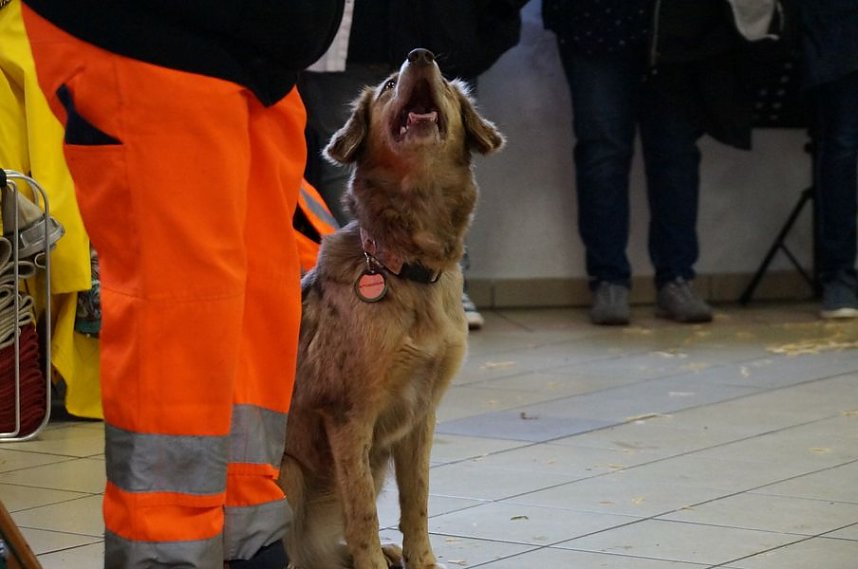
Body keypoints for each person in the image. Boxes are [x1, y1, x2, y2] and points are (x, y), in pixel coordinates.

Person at [21, 1, 344, 568]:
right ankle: (165, 553)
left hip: (253, 60)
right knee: (180, 311)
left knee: (254, 308)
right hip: (151, 42)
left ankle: (248, 538)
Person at [543, 0, 775, 325]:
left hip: (678, 29)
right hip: (592, 23)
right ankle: (609, 281)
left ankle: (677, 278)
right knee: (603, 154)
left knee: (675, 153)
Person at [300, 0, 527, 330]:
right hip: (350, 38)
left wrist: (483, 26)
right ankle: (353, 292)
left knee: (445, 165)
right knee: (347, 170)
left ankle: (446, 283)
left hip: (445, 32)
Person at [797, 0, 858, 319]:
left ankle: (840, 278)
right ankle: (839, 276)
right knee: (841, 150)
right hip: (838, 31)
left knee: (840, 149)